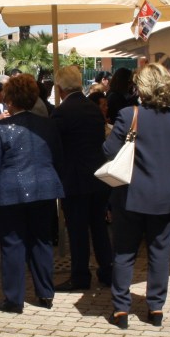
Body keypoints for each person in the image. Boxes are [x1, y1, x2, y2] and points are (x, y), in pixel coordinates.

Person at [103, 63, 170, 329]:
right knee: (160, 254)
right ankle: (156, 308)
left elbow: (109, 151)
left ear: (141, 87)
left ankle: (121, 310)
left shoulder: (129, 115)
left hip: (130, 195)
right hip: (165, 196)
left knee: (124, 253)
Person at [0, 74, 64, 314]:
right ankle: (45, 293)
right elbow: (58, 157)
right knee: (41, 240)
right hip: (44, 189)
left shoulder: (0, 129)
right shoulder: (48, 125)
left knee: (13, 243)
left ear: (9, 100)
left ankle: (14, 298)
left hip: (10, 190)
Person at [51, 66, 114, 291]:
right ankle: (107, 271)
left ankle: (80, 275)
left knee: (77, 231)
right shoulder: (93, 109)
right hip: (98, 177)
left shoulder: (62, 112)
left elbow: (55, 147)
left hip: (75, 179)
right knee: (99, 227)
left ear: (60, 88)